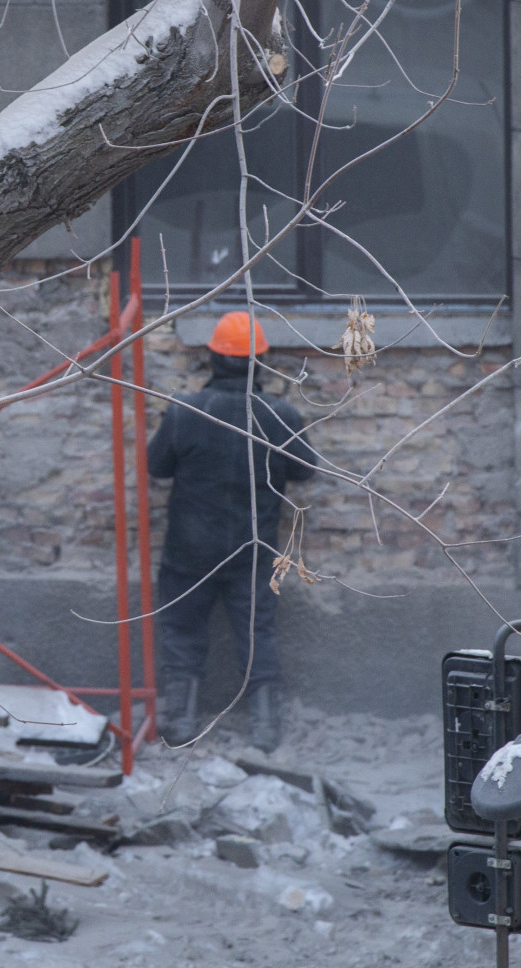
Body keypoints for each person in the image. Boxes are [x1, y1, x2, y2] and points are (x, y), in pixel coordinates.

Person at [147, 311, 314, 752]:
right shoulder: (279, 416)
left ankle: (181, 721)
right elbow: (305, 470)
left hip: (189, 550)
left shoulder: (186, 412)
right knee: (257, 632)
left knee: (182, 630)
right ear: (261, 361)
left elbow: (156, 467)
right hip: (252, 549)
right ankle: (265, 728)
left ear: (213, 358)